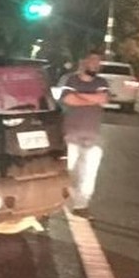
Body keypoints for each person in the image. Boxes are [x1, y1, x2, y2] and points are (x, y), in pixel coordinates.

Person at [59, 51, 110, 217]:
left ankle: (82, 206)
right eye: (93, 61)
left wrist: (79, 95)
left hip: (93, 136)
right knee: (69, 171)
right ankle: (58, 201)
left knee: (89, 173)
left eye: (99, 62)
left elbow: (103, 99)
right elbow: (68, 100)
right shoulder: (71, 79)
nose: (96, 65)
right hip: (71, 134)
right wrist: (91, 98)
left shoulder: (102, 81)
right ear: (84, 62)